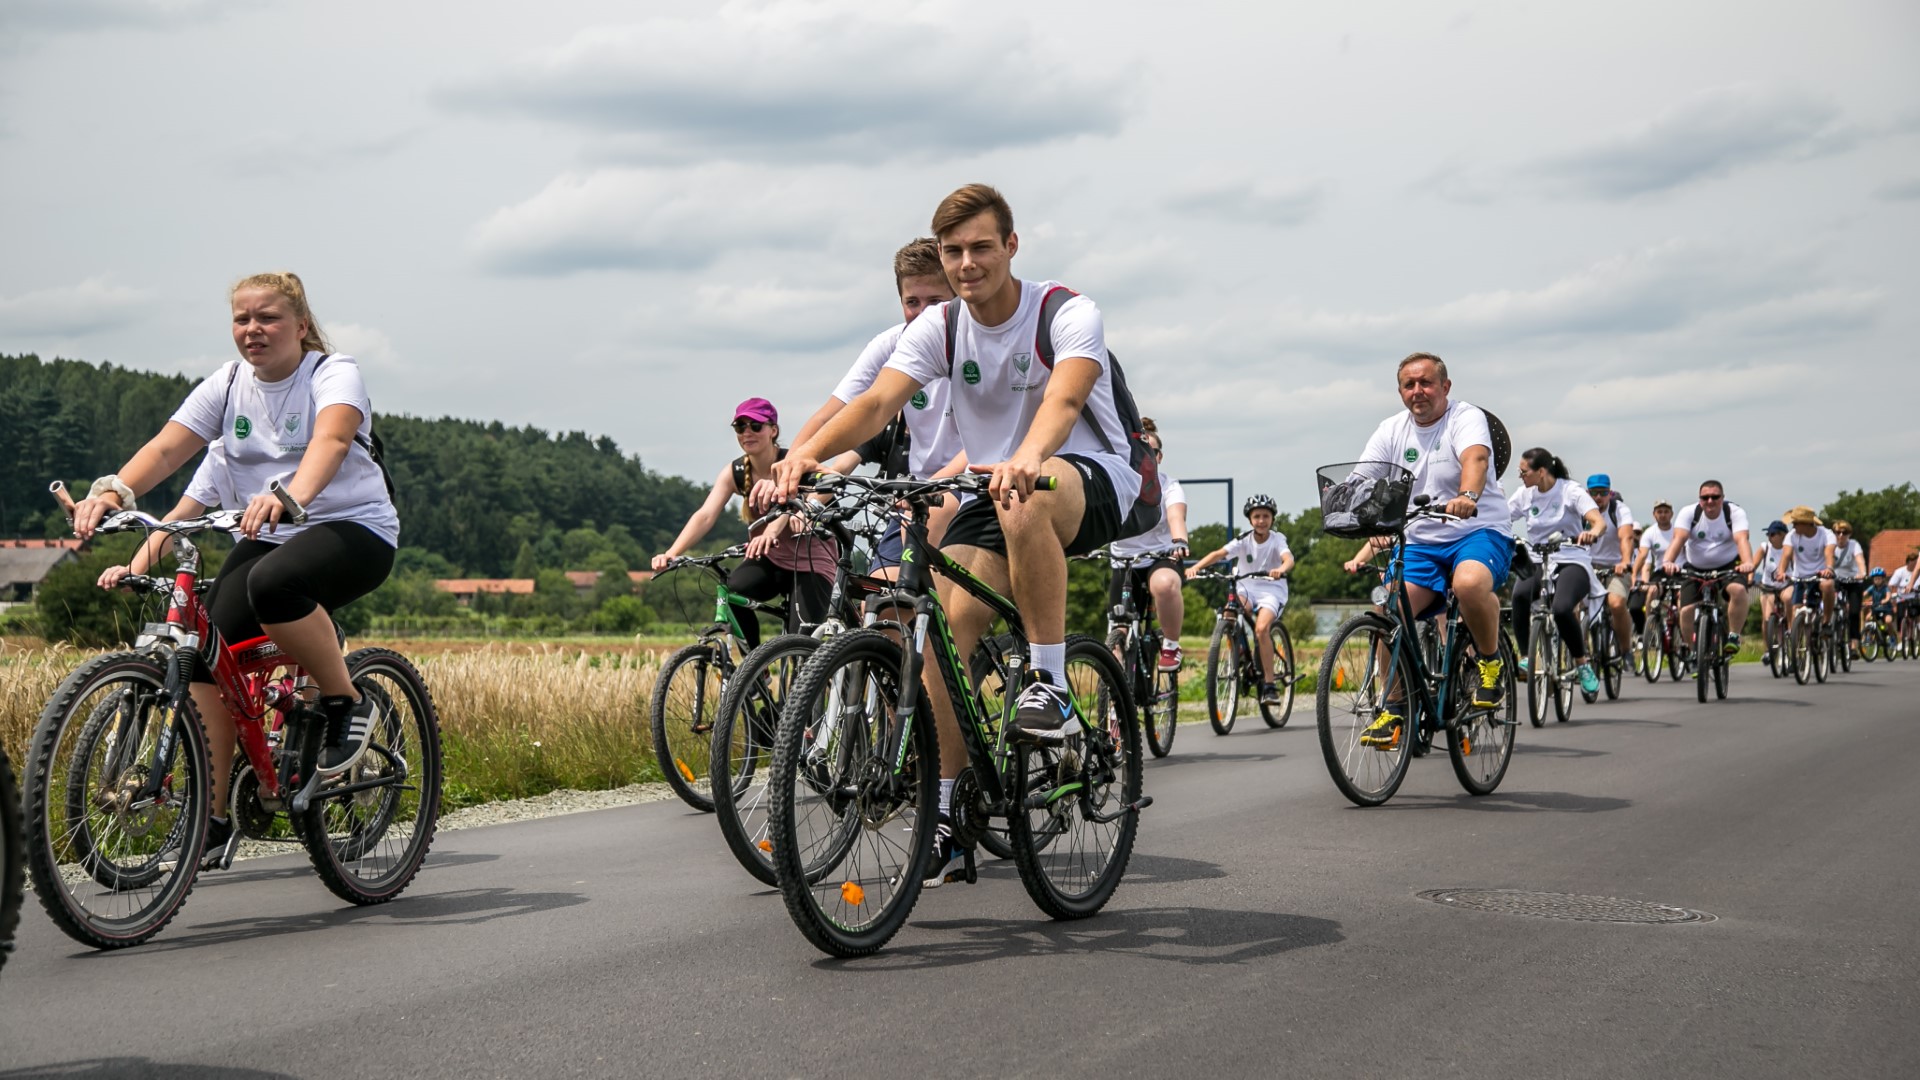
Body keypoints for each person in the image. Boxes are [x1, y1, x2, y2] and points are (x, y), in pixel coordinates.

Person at [765, 183, 1157, 885]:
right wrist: (805, 456)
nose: (967, 262)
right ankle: (946, 817)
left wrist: (1029, 455)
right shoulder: (940, 327)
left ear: (1011, 245)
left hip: (1087, 475)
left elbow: (1066, 398)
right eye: (954, 251)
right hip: (994, 485)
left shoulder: (1065, 312)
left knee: (1024, 498)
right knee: (944, 638)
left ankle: (1049, 682)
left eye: (981, 247)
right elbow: (876, 403)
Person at [71, 272, 399, 870]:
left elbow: (330, 441)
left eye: (268, 318)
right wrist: (113, 491)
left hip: (353, 529)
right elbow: (166, 449)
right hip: (268, 532)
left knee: (273, 585)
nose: (253, 330)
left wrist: (291, 495)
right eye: (242, 319)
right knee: (204, 652)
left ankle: (345, 700)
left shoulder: (331, 373)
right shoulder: (226, 386)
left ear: (301, 325)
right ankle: (214, 820)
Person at [1341, 352, 1513, 748]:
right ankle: (1394, 708)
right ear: (1400, 391)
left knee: (1468, 584)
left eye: (1426, 383)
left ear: (1445, 387)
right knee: (1388, 612)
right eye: (1409, 385)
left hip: (1477, 529)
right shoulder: (1391, 429)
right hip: (1420, 540)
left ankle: (1489, 662)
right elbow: (1362, 475)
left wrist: (1468, 495)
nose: (1417, 391)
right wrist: (1344, 501)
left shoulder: (1465, 417)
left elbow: (1476, 458)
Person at [791, 238, 966, 575]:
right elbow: (833, 412)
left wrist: (932, 486)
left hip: (973, 485)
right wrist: (792, 463)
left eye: (936, 302)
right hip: (917, 493)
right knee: (879, 597)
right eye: (912, 302)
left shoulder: (974, 341)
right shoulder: (889, 344)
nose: (924, 314)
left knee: (938, 591)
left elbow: (984, 442)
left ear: (956, 296)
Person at [651, 399, 836, 650]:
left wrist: (774, 530)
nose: (747, 432)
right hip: (771, 559)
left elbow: (819, 488)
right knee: (732, 595)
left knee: (799, 644)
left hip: (810, 562)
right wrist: (672, 553)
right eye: (740, 427)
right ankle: (755, 669)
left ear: (773, 430)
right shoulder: (736, 471)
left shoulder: (794, 463)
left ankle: (803, 673)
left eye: (755, 426)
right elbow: (705, 515)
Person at [1507, 450, 1607, 695]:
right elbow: (1501, 518)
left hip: (1571, 557)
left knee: (1562, 609)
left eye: (1524, 472)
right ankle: (1526, 656)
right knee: (1519, 596)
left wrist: (1592, 533)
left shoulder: (1570, 491)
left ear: (1541, 472)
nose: (1520, 476)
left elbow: (1598, 522)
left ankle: (1582, 664)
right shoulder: (1524, 495)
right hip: (1537, 557)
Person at [1186, 494, 1292, 703]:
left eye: (1265, 516)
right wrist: (1196, 567)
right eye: (1256, 516)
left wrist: (1281, 569)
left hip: (1271, 589)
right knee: (1229, 612)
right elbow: (1218, 554)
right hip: (1247, 587)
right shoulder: (1244, 540)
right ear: (1250, 520)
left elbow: (1288, 558)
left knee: (1261, 629)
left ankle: (1269, 685)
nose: (1261, 521)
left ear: (1272, 518)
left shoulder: (1277, 539)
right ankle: (1238, 652)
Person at [1109, 418, 1189, 671]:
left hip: (1160, 556)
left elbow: (1176, 516)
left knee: (1164, 584)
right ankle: (1114, 693)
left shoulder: (1168, 486)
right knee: (1115, 641)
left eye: (1150, 452)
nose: (1144, 456)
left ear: (1159, 457)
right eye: (1138, 451)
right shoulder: (1118, 484)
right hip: (1124, 561)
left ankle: (1171, 646)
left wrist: (1179, 540)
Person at [1661, 480, 1755, 658]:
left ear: (1722, 498)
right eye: (1705, 498)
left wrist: (1747, 562)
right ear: (1700, 500)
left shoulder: (1734, 513)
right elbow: (1678, 539)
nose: (1710, 501)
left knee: (1738, 590)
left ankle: (1734, 636)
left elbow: (1742, 539)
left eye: (1715, 497)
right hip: (1696, 567)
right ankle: (1693, 652)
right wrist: (1668, 561)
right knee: (1686, 610)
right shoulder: (1689, 513)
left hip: (1727, 565)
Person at [1584, 474, 1637, 663]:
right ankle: (1580, 655)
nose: (1598, 497)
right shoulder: (1580, 510)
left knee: (1616, 604)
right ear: (1587, 493)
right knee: (1574, 606)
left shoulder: (1619, 510)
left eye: (1603, 492)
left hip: (1616, 567)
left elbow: (1626, 537)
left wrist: (1625, 561)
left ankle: (1626, 649)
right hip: (1587, 566)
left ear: (1610, 493)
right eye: (1594, 493)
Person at [1774, 505, 1835, 632]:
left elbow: (1829, 553)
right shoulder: (1791, 536)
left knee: (1828, 585)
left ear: (1807, 524)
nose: (1793, 526)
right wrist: (1781, 572)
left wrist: (1828, 569)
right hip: (1800, 577)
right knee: (1795, 610)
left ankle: (1826, 622)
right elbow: (1786, 555)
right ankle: (1795, 637)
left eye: (1795, 523)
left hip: (1819, 576)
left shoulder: (1826, 534)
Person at [1631, 500, 1676, 635]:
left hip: (1680, 569)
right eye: (1659, 512)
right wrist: (1634, 575)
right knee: (1652, 591)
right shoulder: (1650, 533)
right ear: (1654, 514)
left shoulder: (1678, 530)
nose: (1663, 515)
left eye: (1666, 512)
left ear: (1672, 514)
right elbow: (1642, 555)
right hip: (1661, 571)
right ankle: (1650, 630)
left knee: (1680, 603)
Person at [1830, 519, 1868, 655]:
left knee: (1854, 613)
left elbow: (1860, 560)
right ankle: (1830, 637)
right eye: (1837, 532)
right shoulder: (1830, 545)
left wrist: (1862, 572)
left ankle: (1853, 645)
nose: (1840, 535)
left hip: (1853, 581)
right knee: (1829, 607)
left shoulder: (1854, 545)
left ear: (1849, 534)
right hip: (1836, 581)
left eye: (1844, 532)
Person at [1755, 520, 1792, 650]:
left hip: (1786, 585)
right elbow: (1753, 565)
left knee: (1788, 598)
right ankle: (1768, 649)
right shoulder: (1765, 548)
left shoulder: (1789, 549)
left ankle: (1790, 627)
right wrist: (1748, 579)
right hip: (1768, 587)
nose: (1769, 537)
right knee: (1767, 618)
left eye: (1772, 534)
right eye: (1768, 534)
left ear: (1783, 535)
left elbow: (1798, 565)